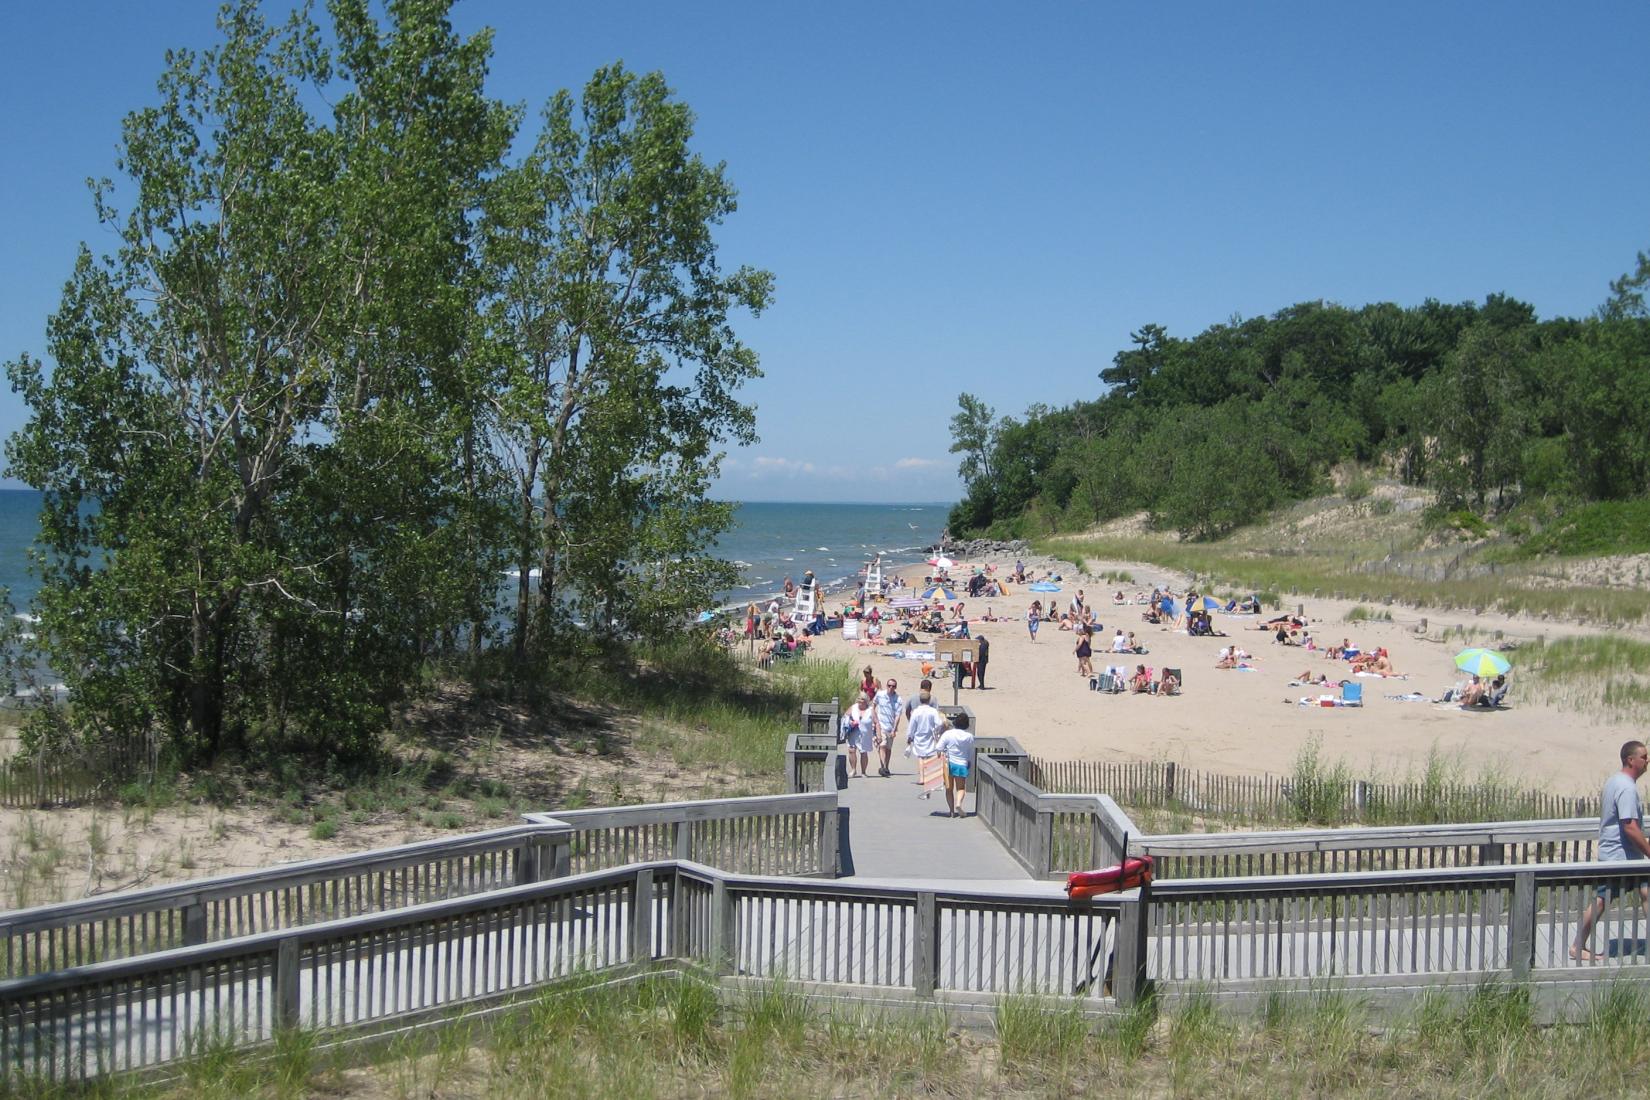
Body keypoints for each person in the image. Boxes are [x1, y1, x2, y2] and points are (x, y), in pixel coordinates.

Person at [1572, 741, 1650, 962]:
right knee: (1601, 899)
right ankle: (1577, 946)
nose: (1648, 761)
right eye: (1644, 757)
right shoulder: (1626, 787)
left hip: (1621, 854)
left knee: (1645, 891)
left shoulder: (1614, 781)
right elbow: (1630, 827)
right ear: (1630, 760)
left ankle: (1577, 945)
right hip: (1620, 857)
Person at [904, 680, 947, 798]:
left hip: (919, 735)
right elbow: (939, 724)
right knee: (929, 755)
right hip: (930, 734)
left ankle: (922, 777)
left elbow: (911, 725)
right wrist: (937, 731)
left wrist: (909, 736)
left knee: (920, 756)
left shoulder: (916, 712)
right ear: (929, 700)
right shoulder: (933, 711)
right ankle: (929, 777)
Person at [935, 713, 976, 818]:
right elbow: (971, 752)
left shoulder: (948, 734)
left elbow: (939, 747)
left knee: (949, 789)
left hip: (948, 763)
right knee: (961, 788)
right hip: (962, 764)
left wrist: (940, 753)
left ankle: (952, 811)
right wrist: (969, 761)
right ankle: (958, 804)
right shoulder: (969, 737)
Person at [840, 692, 877, 779]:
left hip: (865, 734)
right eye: (859, 699)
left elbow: (877, 722)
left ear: (866, 701)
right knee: (851, 750)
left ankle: (864, 772)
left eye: (863, 699)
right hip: (853, 732)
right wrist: (850, 722)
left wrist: (878, 735)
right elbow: (845, 717)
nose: (860, 701)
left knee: (863, 752)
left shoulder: (870, 710)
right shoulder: (853, 707)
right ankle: (853, 770)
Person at [873, 678, 903, 777]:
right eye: (889, 685)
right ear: (886, 686)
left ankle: (886, 766)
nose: (891, 688)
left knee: (888, 749)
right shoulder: (880, 694)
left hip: (890, 727)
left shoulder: (898, 699)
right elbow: (873, 705)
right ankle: (883, 767)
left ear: (895, 687)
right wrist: (875, 720)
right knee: (882, 745)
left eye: (893, 686)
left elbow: (898, 715)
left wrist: (894, 729)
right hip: (881, 725)